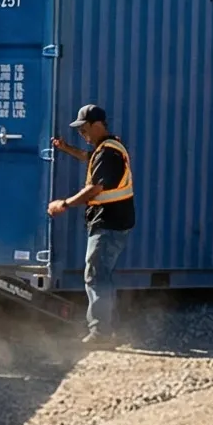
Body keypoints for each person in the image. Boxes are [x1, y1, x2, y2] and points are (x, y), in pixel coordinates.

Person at [47, 103, 135, 344]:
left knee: (96, 275)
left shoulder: (108, 153)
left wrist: (64, 204)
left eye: (83, 129)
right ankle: (110, 329)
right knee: (101, 275)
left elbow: (94, 188)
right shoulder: (106, 148)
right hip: (113, 221)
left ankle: (101, 333)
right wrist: (66, 148)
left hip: (109, 223)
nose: (81, 134)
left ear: (97, 125)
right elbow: (89, 158)